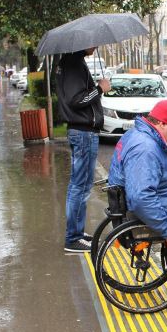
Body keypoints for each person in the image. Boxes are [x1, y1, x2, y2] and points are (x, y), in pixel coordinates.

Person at [108, 100, 167, 251]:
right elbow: (141, 198)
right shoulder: (145, 148)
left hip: (148, 207)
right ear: (162, 124)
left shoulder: (137, 134)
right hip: (162, 216)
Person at [56, 47, 109, 253]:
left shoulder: (72, 62)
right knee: (80, 186)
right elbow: (76, 100)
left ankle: (76, 233)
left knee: (81, 185)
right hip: (83, 132)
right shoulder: (72, 64)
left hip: (83, 131)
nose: (95, 46)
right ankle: (73, 238)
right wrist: (99, 89)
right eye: (92, 43)